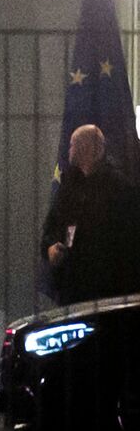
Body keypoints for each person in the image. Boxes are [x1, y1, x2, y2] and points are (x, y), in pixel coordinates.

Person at [41, 124, 140, 306]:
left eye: (72, 144)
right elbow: (52, 224)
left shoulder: (119, 188)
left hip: (105, 290)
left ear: (86, 148)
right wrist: (50, 248)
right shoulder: (69, 185)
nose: (68, 150)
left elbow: (128, 242)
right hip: (71, 285)